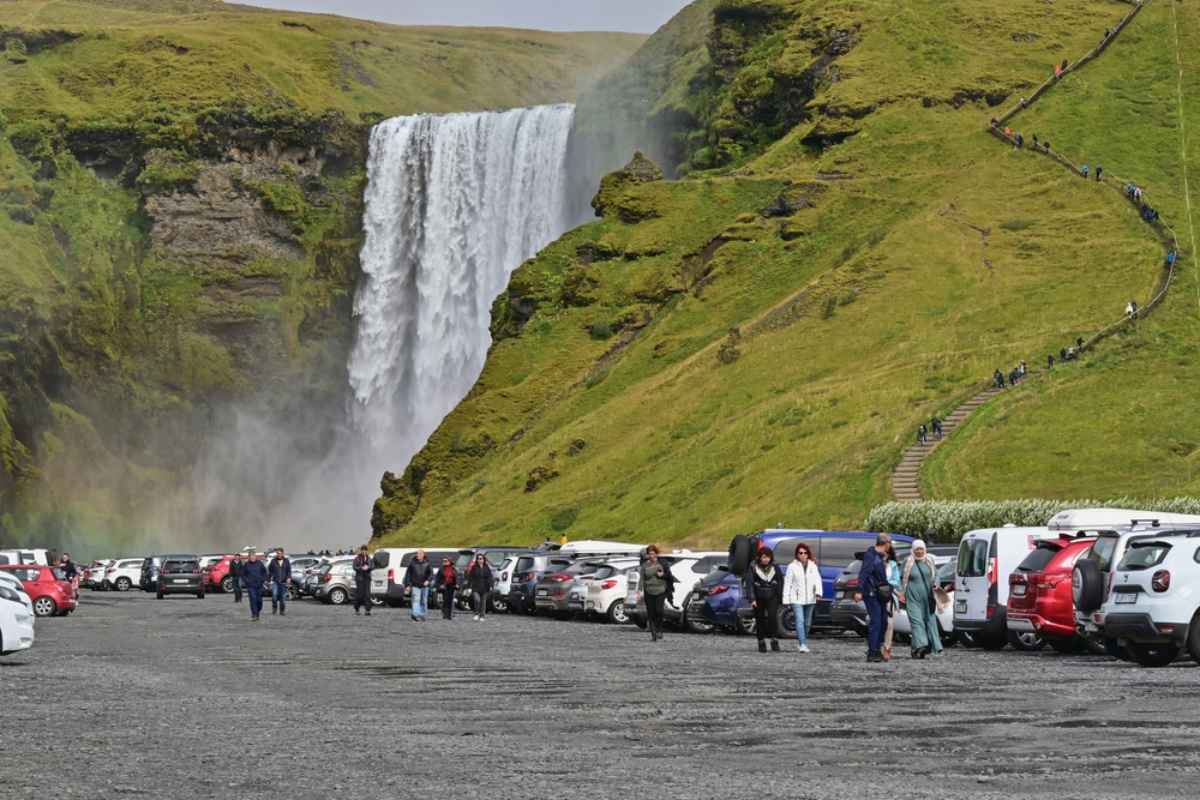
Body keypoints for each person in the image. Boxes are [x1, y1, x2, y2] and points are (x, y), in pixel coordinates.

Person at [900, 540, 945, 659]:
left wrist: (936, 583)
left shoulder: (929, 561)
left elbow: (936, 575)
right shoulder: (908, 561)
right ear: (913, 550)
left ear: (925, 549)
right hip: (912, 596)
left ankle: (918, 649)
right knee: (917, 622)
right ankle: (922, 644)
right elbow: (900, 578)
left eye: (921, 549)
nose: (919, 551)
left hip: (928, 597)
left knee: (930, 622)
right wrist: (901, 593)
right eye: (917, 549)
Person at [855, 534, 891, 662]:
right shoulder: (871, 555)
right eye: (889, 543)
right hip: (871, 593)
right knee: (876, 622)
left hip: (880, 594)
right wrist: (859, 591)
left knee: (883, 621)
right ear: (886, 543)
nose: (890, 546)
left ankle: (876, 648)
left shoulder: (880, 557)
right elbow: (864, 573)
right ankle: (872, 652)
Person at [743, 546, 784, 653]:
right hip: (758, 597)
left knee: (772, 618)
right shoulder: (753, 567)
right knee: (760, 619)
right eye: (764, 557)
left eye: (768, 557)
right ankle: (761, 641)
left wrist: (780, 597)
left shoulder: (775, 567)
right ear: (760, 557)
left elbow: (780, 581)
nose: (766, 559)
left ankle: (774, 640)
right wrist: (752, 598)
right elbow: (749, 584)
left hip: (772, 596)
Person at [782, 543, 821, 653]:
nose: (803, 555)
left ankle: (803, 641)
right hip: (796, 598)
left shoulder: (813, 566)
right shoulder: (791, 566)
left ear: (808, 554)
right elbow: (787, 583)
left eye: (805, 553)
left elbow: (817, 580)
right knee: (799, 620)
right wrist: (786, 599)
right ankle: (803, 644)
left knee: (807, 623)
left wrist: (818, 593)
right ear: (797, 554)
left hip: (810, 598)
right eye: (800, 553)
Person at [640, 545, 676, 642]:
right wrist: (639, 591)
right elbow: (642, 578)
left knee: (659, 611)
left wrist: (662, 575)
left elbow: (669, 576)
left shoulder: (663, 563)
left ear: (656, 553)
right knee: (651, 613)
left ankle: (659, 629)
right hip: (649, 591)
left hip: (661, 590)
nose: (651, 555)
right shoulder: (644, 565)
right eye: (649, 554)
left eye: (653, 553)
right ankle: (654, 633)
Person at [881, 544, 902, 661]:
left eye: (886, 552)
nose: (884, 555)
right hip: (877, 597)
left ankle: (887, 648)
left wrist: (887, 584)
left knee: (889, 624)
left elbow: (896, 580)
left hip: (889, 596)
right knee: (878, 623)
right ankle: (876, 647)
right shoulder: (875, 563)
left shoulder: (893, 565)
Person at [404, 549, 432, 622]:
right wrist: (407, 585)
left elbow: (431, 574)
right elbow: (408, 575)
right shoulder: (412, 564)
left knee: (423, 601)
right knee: (416, 600)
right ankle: (415, 615)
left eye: (420, 554)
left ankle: (422, 615)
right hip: (415, 585)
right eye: (417, 554)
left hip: (424, 586)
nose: (418, 555)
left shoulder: (427, 563)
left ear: (423, 555)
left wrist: (428, 580)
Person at [466, 553, 494, 620]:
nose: (479, 560)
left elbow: (490, 577)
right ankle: (476, 613)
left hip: (485, 587)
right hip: (476, 587)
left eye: (481, 558)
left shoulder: (486, 567)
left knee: (483, 602)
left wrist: (491, 585)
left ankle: (482, 616)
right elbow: (470, 577)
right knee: (477, 600)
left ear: (483, 559)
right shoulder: (474, 567)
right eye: (478, 559)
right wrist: (469, 587)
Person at [242, 552, 268, 621]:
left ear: (255, 557)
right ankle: (254, 614)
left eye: (253, 556)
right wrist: (247, 581)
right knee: (253, 599)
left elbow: (264, 572)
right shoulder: (246, 565)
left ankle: (257, 612)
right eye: (251, 557)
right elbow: (243, 575)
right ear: (249, 557)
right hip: (251, 586)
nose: (252, 558)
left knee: (259, 601)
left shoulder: (260, 563)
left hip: (259, 585)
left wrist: (263, 579)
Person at [267, 549, 291, 616]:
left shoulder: (286, 561)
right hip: (275, 581)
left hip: (283, 582)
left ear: (283, 553)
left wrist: (289, 578)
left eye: (280, 553)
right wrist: (268, 580)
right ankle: (274, 608)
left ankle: (282, 611)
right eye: (277, 553)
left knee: (282, 598)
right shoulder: (273, 561)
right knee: (274, 596)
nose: (279, 554)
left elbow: (289, 571)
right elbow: (270, 571)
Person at [352, 546, 373, 616]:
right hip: (360, 579)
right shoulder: (357, 558)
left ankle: (367, 610)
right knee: (359, 595)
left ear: (367, 551)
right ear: (361, 551)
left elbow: (372, 566)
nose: (364, 552)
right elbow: (354, 567)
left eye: (365, 550)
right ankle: (357, 609)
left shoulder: (369, 558)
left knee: (367, 595)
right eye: (363, 550)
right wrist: (361, 568)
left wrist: (368, 568)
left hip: (367, 578)